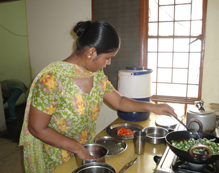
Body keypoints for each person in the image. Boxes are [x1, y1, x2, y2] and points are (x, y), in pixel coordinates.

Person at [19, 20, 177, 173]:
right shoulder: (52, 79)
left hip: (85, 151)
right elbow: (36, 128)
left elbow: (120, 101)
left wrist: (154, 106)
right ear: (91, 52)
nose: (108, 63)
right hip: (56, 156)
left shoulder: (97, 75)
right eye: (108, 58)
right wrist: (76, 147)